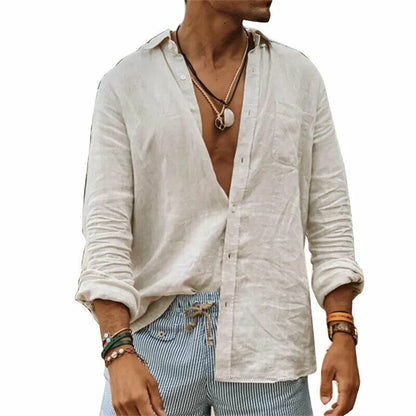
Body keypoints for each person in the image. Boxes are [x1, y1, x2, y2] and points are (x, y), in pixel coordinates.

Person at [75, 1, 365, 415]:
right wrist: (117, 349)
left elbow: (329, 214)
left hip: (267, 339)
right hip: (155, 346)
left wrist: (342, 328)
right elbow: (106, 228)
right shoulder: (127, 85)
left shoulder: (299, 79)